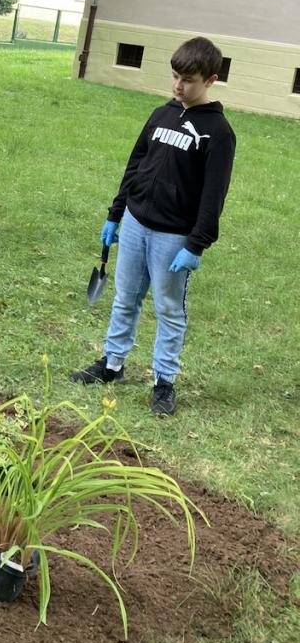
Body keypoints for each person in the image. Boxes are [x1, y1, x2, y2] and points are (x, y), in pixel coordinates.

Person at [70, 37, 236, 417]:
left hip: (173, 236)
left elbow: (214, 196)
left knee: (168, 309)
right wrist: (116, 214)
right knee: (125, 298)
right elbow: (136, 165)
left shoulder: (218, 132)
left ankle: (164, 382)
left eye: (188, 80)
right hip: (135, 223)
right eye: (175, 77)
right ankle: (112, 364)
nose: (178, 86)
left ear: (211, 79)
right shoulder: (161, 115)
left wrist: (196, 245)